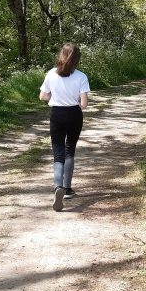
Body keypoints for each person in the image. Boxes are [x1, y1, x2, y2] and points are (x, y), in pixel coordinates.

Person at [39, 43, 90, 211]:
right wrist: (73, 100)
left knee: (58, 151)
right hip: (74, 114)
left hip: (57, 114)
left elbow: (43, 96)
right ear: (76, 59)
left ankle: (57, 186)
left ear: (61, 55)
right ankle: (67, 189)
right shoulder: (81, 77)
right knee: (70, 150)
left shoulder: (51, 73)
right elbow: (84, 104)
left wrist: (56, 96)